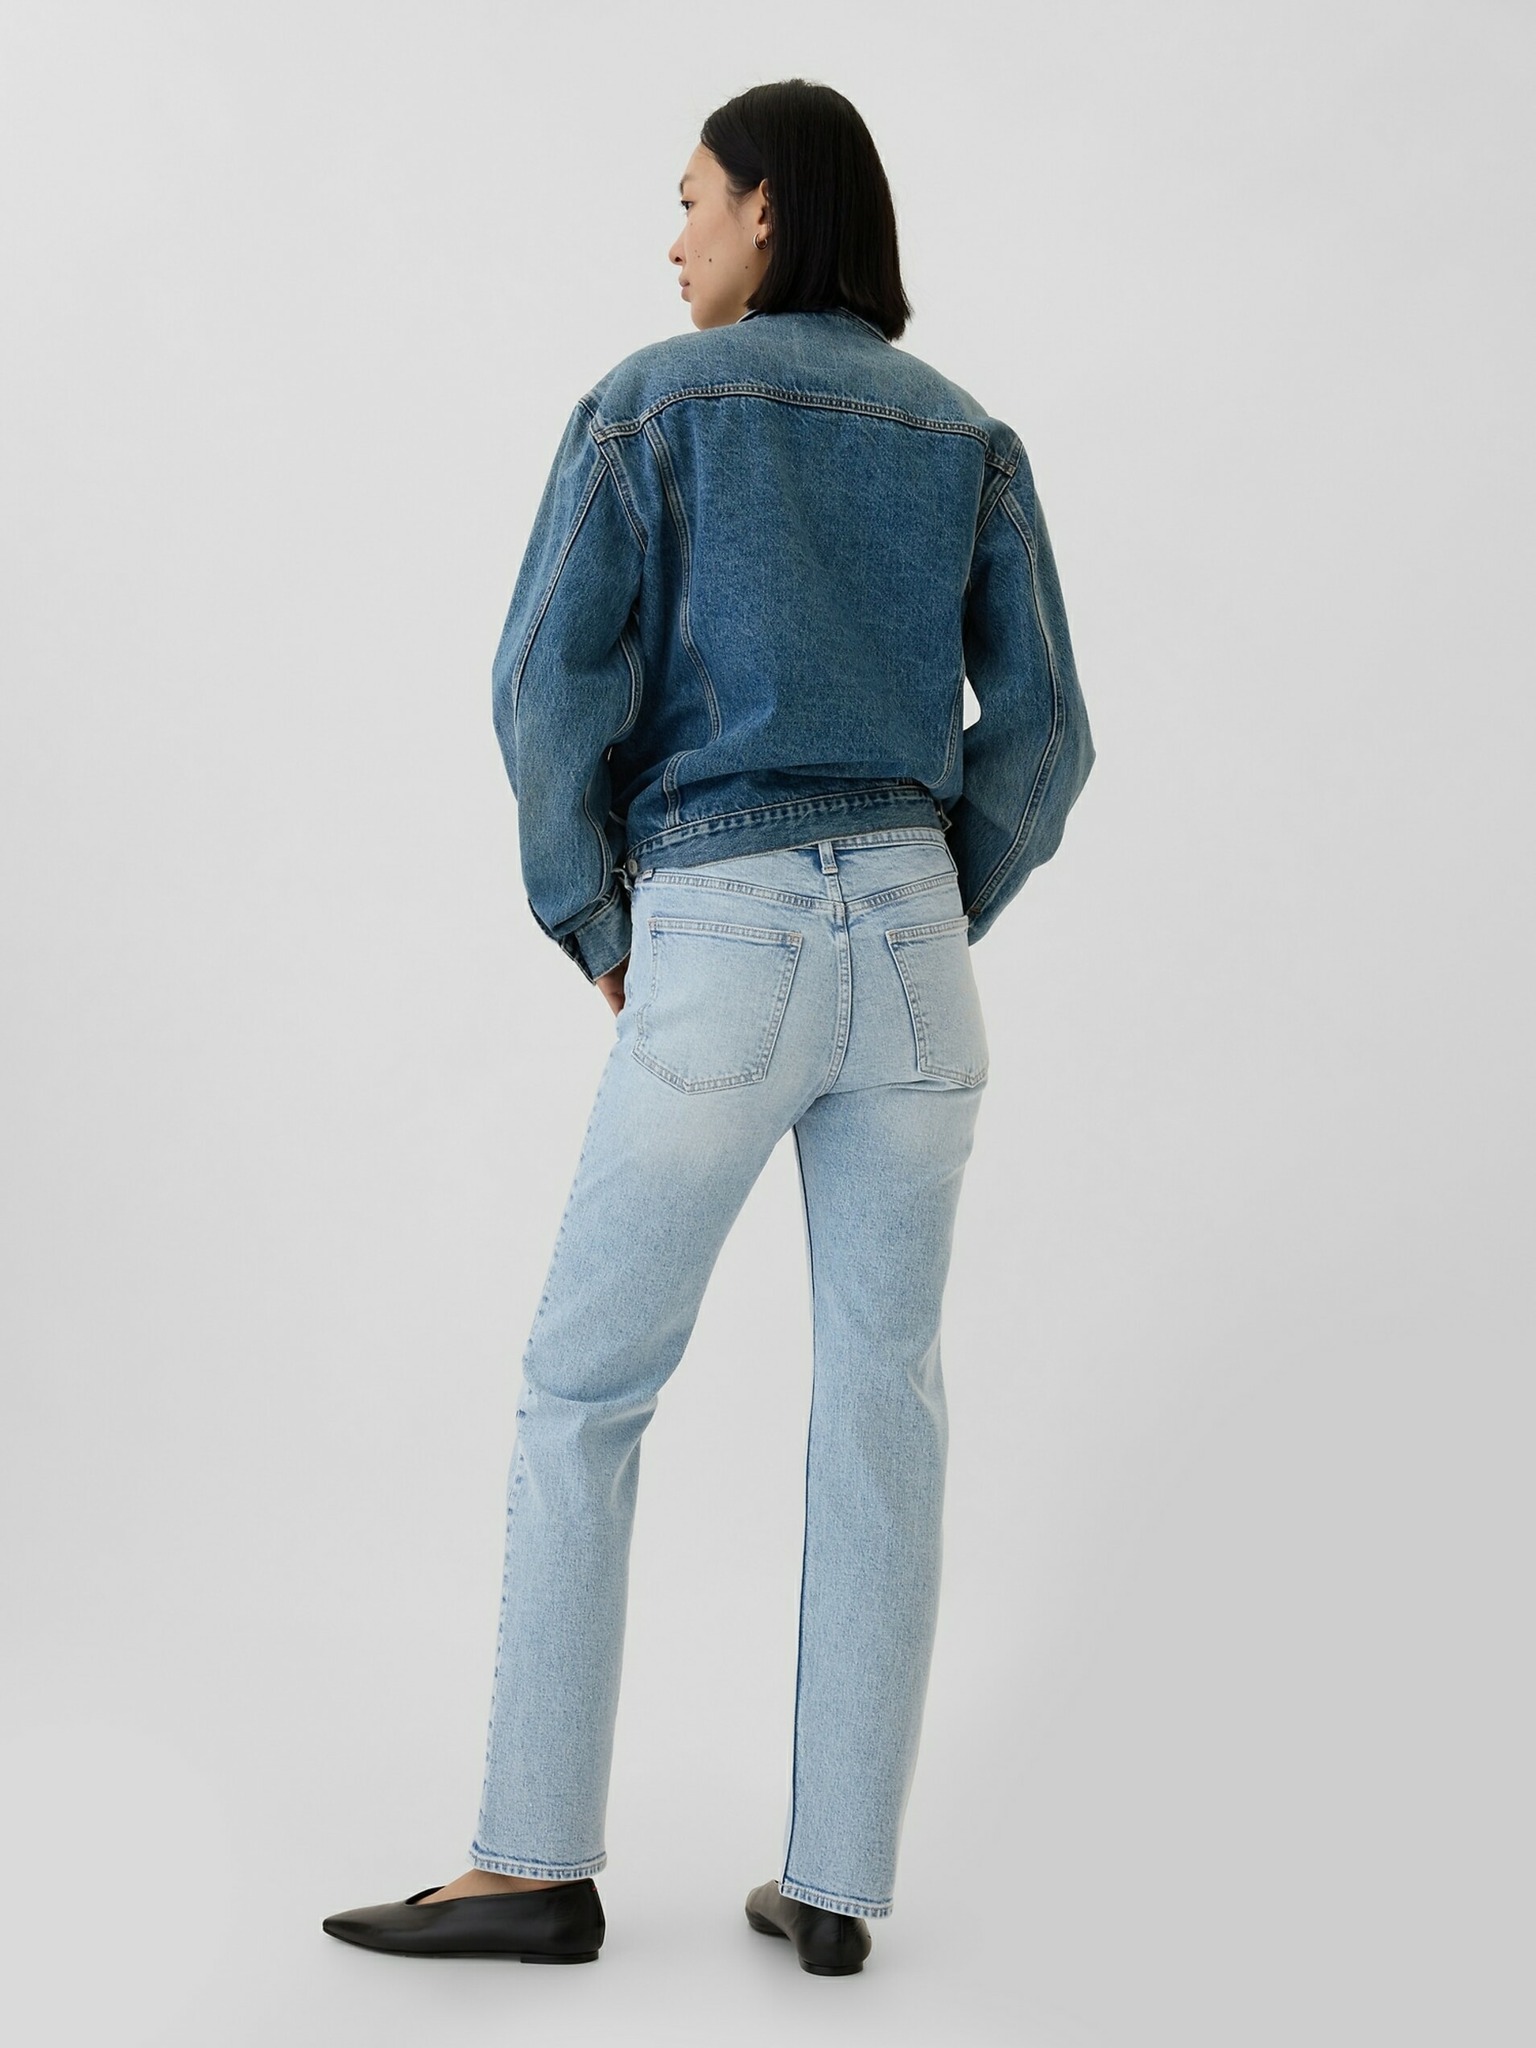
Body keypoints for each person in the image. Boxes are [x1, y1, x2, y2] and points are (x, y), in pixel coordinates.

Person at [323, 76, 1095, 1977]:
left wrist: (595, 910)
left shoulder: (651, 406)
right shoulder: (967, 433)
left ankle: (531, 1862)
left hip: (723, 925)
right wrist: (931, 901)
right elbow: (1050, 735)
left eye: (691, 198)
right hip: (912, 944)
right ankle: (836, 1887)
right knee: (885, 1405)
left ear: (769, 209)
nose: (672, 238)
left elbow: (540, 683)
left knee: (587, 1389)